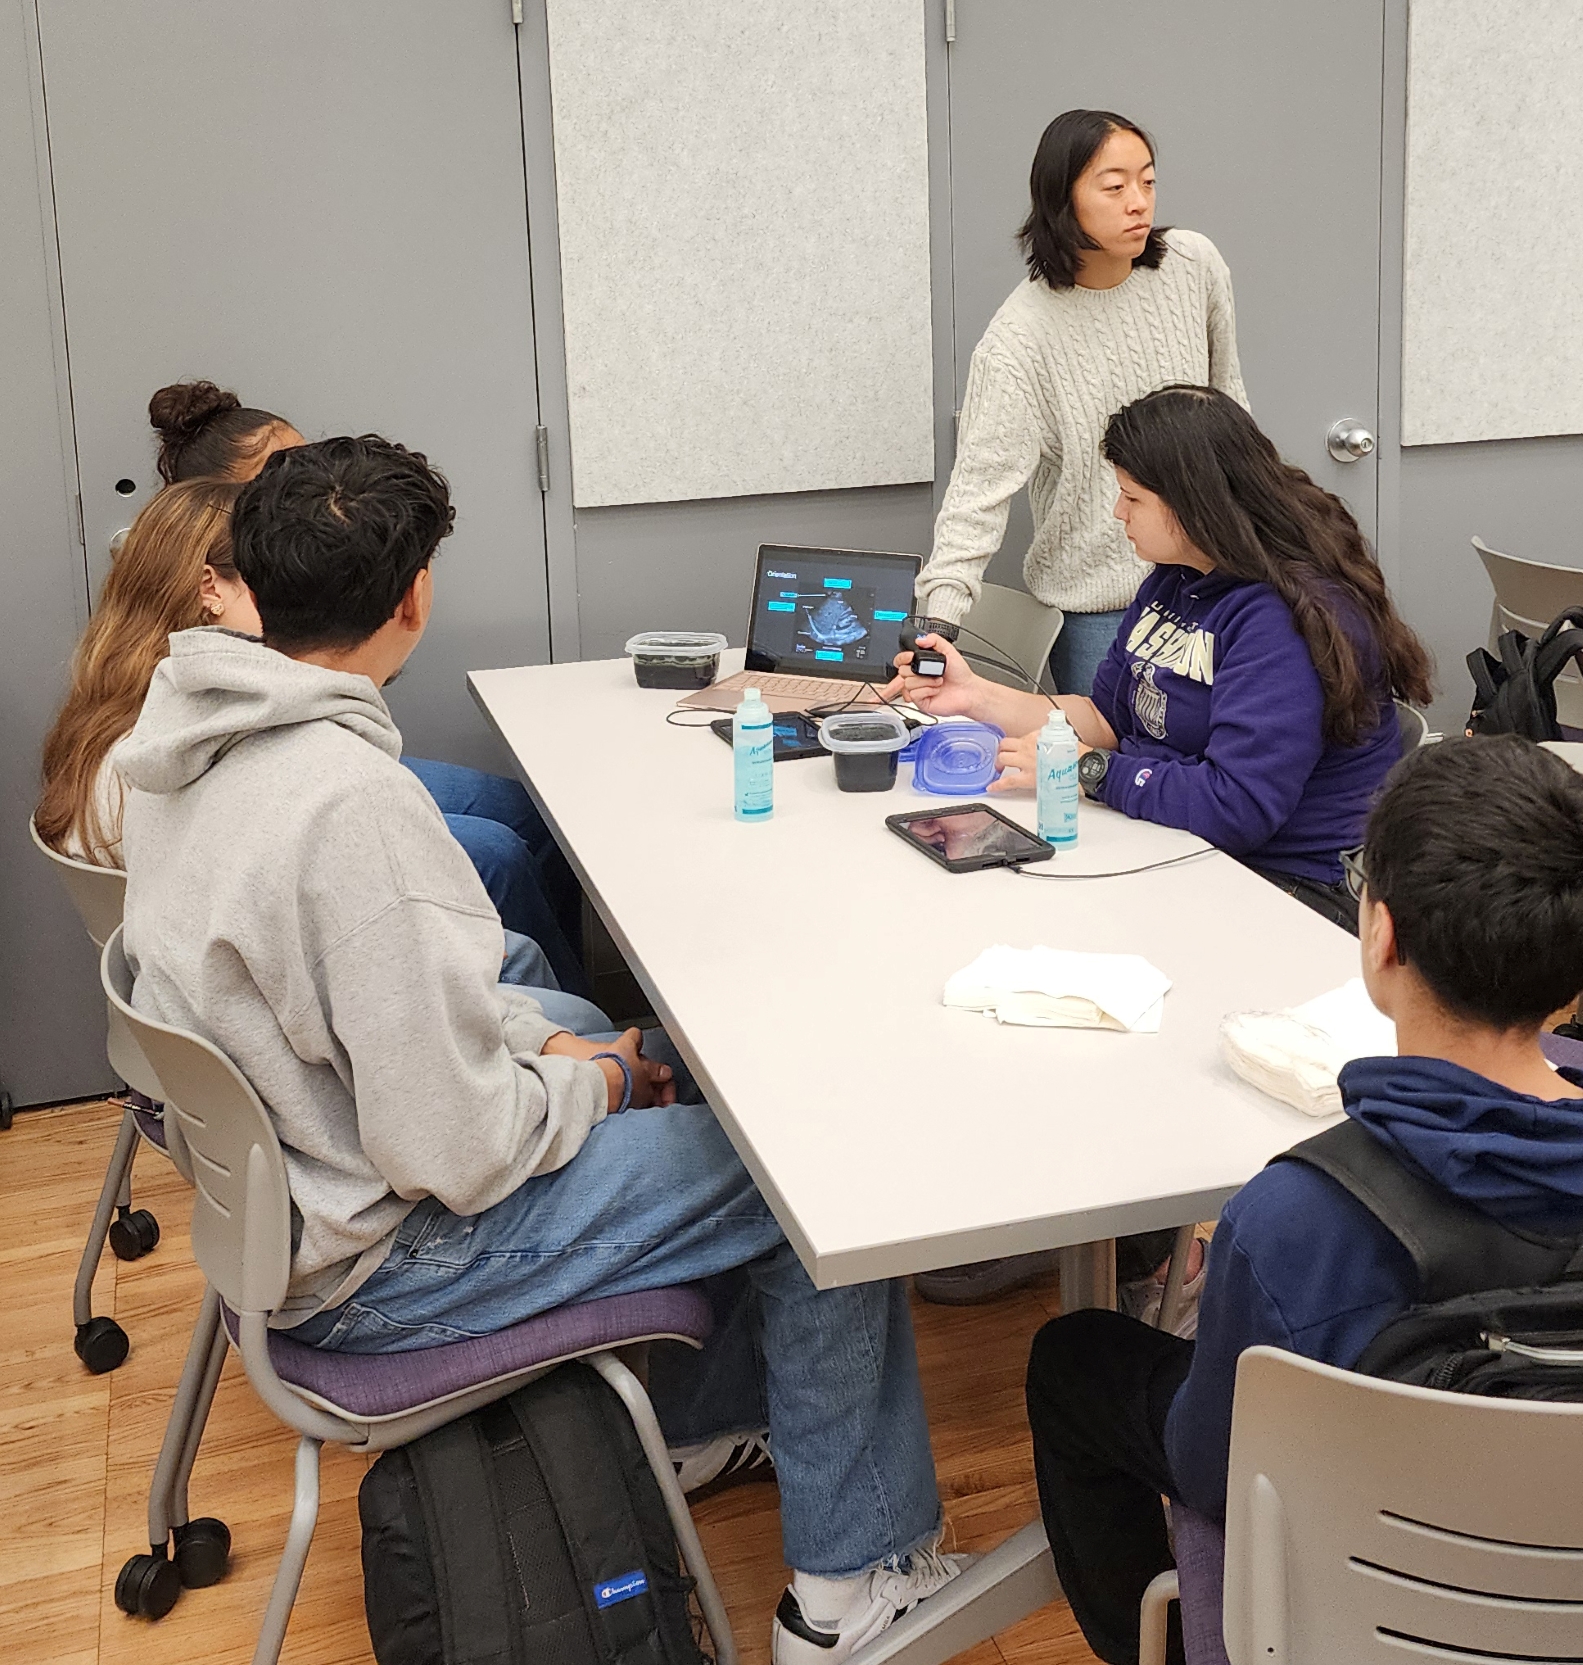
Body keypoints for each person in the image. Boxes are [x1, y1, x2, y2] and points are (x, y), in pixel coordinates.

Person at [117, 435, 961, 1661]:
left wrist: (566, 1053)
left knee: (667, 1064)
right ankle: (852, 1587)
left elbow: (388, 1011)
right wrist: (598, 1080)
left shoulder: (181, 740)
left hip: (298, 1207)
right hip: (384, 1266)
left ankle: (704, 1424)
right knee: (807, 1173)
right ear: (413, 598)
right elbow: (455, 1150)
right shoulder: (346, 804)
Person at [1023, 734, 1583, 1665]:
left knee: (1074, 1359)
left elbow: (1211, 1466)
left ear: (1382, 936)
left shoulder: (1298, 1224)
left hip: (1395, 1624)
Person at [34, 475, 585, 1014]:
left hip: (223, 961)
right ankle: (583, 1020)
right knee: (498, 856)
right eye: (267, 581)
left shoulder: (130, 703)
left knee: (525, 815)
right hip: (287, 975)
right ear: (210, 589)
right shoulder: (183, 752)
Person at [898, 384, 1431, 934]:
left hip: (1284, 885)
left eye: (1132, 498)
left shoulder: (1282, 622)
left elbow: (1236, 808)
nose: (1118, 513)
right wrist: (976, 696)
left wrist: (1087, 769)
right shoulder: (1176, 579)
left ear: (1193, 504)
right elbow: (1105, 718)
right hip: (1184, 845)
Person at [148, 379, 587, 992]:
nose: (307, 483)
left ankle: (569, 995)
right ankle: (570, 1011)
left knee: (532, 815)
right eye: (283, 473)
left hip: (303, 754)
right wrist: (557, 1048)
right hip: (284, 773)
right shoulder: (207, 588)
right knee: (497, 854)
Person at [915, 109, 1249, 696]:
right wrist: (937, 624)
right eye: (1115, 187)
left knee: (1230, 745)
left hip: (1216, 580)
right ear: (1061, 201)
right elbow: (976, 498)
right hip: (1102, 608)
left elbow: (1232, 415)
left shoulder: (1193, 266)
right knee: (1104, 752)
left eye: (1148, 181)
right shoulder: (1018, 342)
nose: (1139, 203)